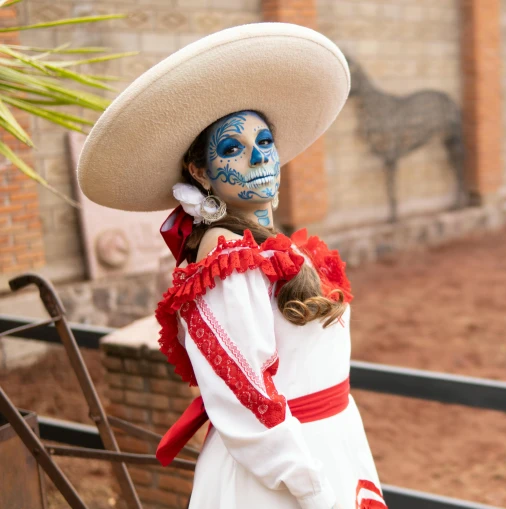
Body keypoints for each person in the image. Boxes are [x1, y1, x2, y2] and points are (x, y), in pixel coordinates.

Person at [77, 23, 385, 509]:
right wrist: (309, 485)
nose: (257, 156)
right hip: (279, 480)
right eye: (230, 149)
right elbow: (241, 395)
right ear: (199, 173)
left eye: (264, 140)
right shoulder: (224, 256)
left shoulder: (273, 246)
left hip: (331, 448)